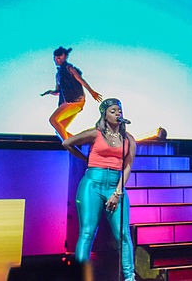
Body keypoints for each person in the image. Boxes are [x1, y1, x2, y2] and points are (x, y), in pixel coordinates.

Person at [63, 98, 136, 281]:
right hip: (92, 184)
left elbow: (127, 167)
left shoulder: (128, 139)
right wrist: (84, 159)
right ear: (104, 114)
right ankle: (79, 276)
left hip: (114, 186)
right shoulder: (95, 134)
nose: (117, 113)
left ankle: (129, 277)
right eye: (113, 111)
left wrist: (117, 193)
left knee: (123, 234)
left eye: (119, 110)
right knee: (87, 232)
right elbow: (67, 143)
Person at [41, 46, 102, 140]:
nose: (57, 60)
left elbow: (80, 79)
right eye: (55, 58)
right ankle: (79, 143)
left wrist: (92, 91)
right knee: (60, 129)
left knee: (53, 120)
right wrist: (50, 92)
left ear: (64, 57)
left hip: (74, 100)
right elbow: (58, 91)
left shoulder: (69, 68)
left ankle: (68, 144)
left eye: (59, 58)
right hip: (71, 103)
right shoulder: (58, 75)